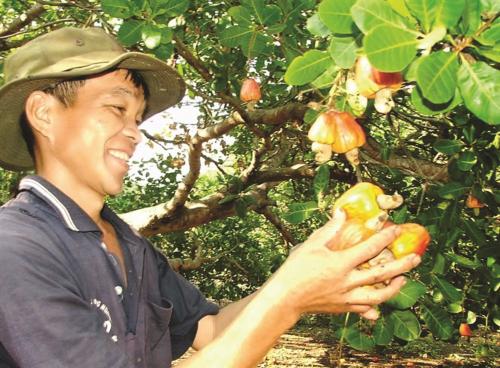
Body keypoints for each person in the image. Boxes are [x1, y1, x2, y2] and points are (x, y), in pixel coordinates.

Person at [0, 27, 421, 368]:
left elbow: (211, 329)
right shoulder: (15, 248)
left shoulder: (130, 245)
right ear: (44, 114)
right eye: (116, 108)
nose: (134, 133)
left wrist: (308, 273)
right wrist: (289, 297)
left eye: (138, 117)